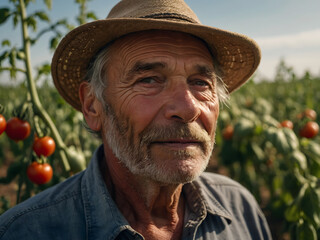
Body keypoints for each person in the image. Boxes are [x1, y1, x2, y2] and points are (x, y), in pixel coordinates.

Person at [0, 0, 272, 239]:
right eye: (149, 80)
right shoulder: (25, 231)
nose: (188, 109)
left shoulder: (241, 209)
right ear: (93, 106)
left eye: (200, 83)